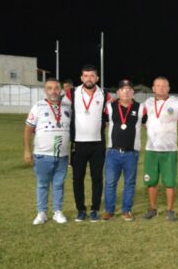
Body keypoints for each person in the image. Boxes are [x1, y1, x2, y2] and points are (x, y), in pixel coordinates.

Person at [23, 79, 72, 225]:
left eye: (56, 88)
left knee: (59, 184)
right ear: (45, 90)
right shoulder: (38, 106)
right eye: (50, 88)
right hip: (43, 154)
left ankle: (57, 211)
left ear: (61, 90)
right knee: (42, 184)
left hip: (62, 155)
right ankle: (42, 213)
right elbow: (28, 130)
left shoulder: (68, 107)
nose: (53, 91)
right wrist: (27, 150)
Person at [69, 65, 111, 222]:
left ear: (97, 78)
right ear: (81, 78)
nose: (89, 78)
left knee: (97, 178)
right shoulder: (72, 93)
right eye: (86, 75)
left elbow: (108, 116)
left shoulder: (105, 94)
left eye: (92, 76)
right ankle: (81, 209)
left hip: (97, 144)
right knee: (77, 178)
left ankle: (94, 209)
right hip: (78, 144)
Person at [101, 80, 146, 221]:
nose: (126, 91)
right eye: (122, 89)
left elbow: (149, 125)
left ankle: (126, 210)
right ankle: (109, 210)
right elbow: (103, 124)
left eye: (129, 89)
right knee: (110, 183)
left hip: (131, 153)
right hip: (113, 152)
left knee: (129, 183)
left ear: (133, 92)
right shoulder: (109, 107)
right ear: (118, 92)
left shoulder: (141, 108)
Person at [141, 77, 178, 221]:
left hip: (169, 149)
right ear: (153, 88)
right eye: (158, 86)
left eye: (164, 86)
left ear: (169, 88)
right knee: (151, 181)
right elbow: (143, 120)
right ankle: (152, 209)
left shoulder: (177, 102)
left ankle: (170, 210)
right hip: (151, 148)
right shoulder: (147, 103)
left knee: (170, 182)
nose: (161, 88)